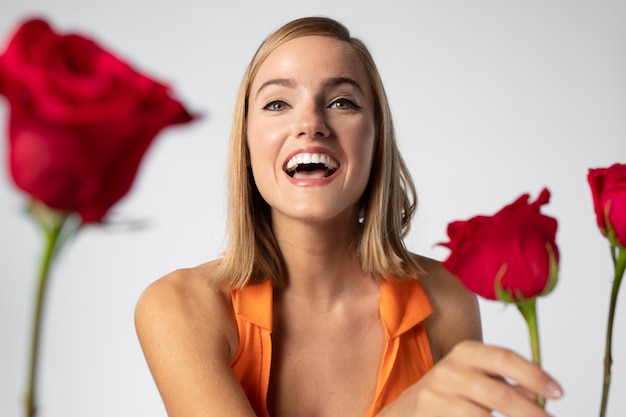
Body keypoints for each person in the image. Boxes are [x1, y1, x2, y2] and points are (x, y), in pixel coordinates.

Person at [134, 16, 563, 417]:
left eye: (341, 102)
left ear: (376, 141)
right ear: (246, 147)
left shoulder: (446, 301)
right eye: (278, 104)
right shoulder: (180, 307)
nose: (310, 124)